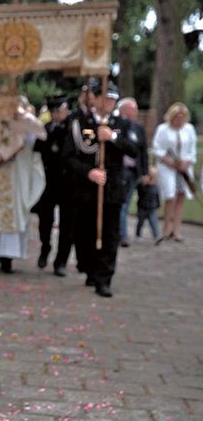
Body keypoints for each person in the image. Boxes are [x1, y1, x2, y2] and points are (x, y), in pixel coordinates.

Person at [61, 79, 138, 297]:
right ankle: (89, 269)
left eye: (113, 99)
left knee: (110, 234)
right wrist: (89, 172)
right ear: (95, 99)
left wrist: (112, 137)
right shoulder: (80, 123)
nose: (110, 103)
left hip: (112, 189)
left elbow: (134, 150)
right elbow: (67, 157)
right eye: (106, 98)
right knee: (85, 233)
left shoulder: (122, 125)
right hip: (86, 190)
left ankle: (104, 277)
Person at [0, 90, 47, 273]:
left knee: (13, 215)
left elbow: (36, 140)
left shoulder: (25, 121)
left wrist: (18, 132)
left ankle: (7, 258)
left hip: (16, 175)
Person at [33, 96, 73, 276]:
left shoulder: (71, 129)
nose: (57, 115)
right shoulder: (46, 129)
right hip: (48, 182)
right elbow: (37, 150)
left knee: (67, 224)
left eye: (60, 111)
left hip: (67, 182)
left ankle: (61, 260)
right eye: (54, 112)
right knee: (45, 220)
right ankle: (45, 246)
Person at [152, 102, 197, 244]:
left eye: (182, 117)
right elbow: (157, 148)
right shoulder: (163, 129)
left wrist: (186, 162)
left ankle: (177, 230)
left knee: (180, 196)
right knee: (170, 196)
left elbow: (192, 149)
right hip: (168, 167)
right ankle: (166, 228)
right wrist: (169, 162)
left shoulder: (189, 129)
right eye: (177, 117)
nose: (179, 120)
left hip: (183, 168)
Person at [116, 98, 149, 247]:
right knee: (121, 204)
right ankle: (122, 235)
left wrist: (145, 171)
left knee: (127, 203)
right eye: (132, 109)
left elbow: (143, 151)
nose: (135, 113)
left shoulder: (138, 127)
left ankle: (121, 233)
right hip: (120, 170)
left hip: (134, 171)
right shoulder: (117, 125)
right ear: (123, 111)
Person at [135, 166, 161, 242]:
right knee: (140, 222)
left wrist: (158, 206)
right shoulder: (142, 186)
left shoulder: (155, 187)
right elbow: (138, 189)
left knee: (154, 222)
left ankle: (156, 236)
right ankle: (138, 235)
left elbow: (157, 197)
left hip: (152, 208)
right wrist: (142, 182)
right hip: (142, 208)